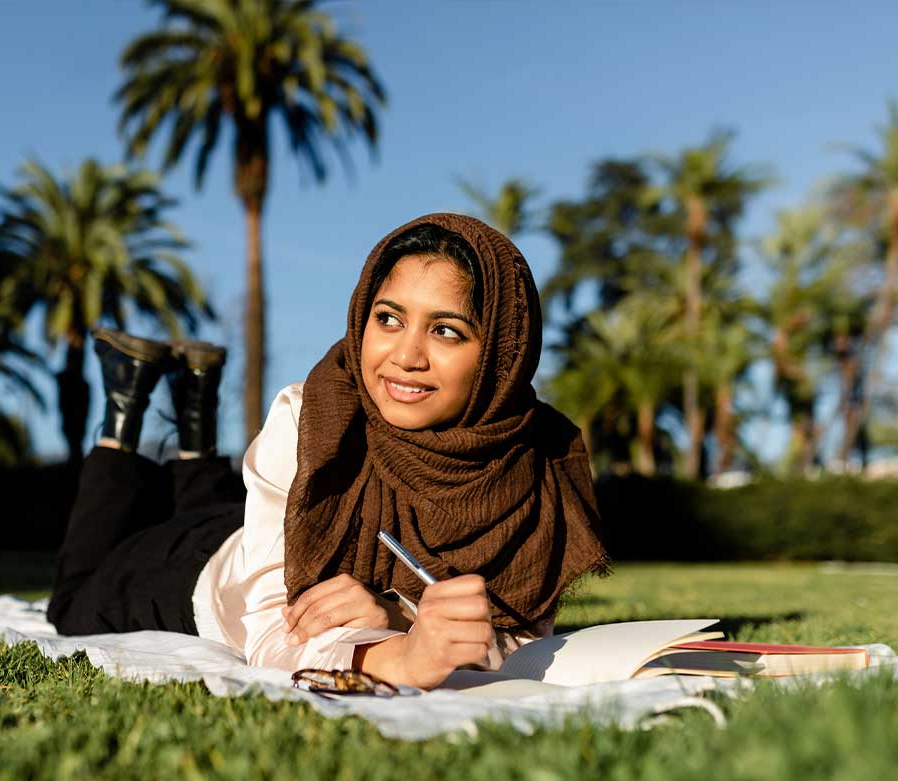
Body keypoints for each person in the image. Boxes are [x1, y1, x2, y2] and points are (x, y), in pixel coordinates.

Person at [47, 213, 608, 691]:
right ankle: (123, 410)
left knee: (215, 507)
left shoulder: (538, 460)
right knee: (73, 604)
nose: (406, 356)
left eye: (447, 331)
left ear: (504, 355)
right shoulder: (315, 416)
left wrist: (393, 611)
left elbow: (522, 639)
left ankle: (196, 409)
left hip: (260, 528)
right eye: (388, 319)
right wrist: (402, 655)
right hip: (194, 573)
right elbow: (269, 630)